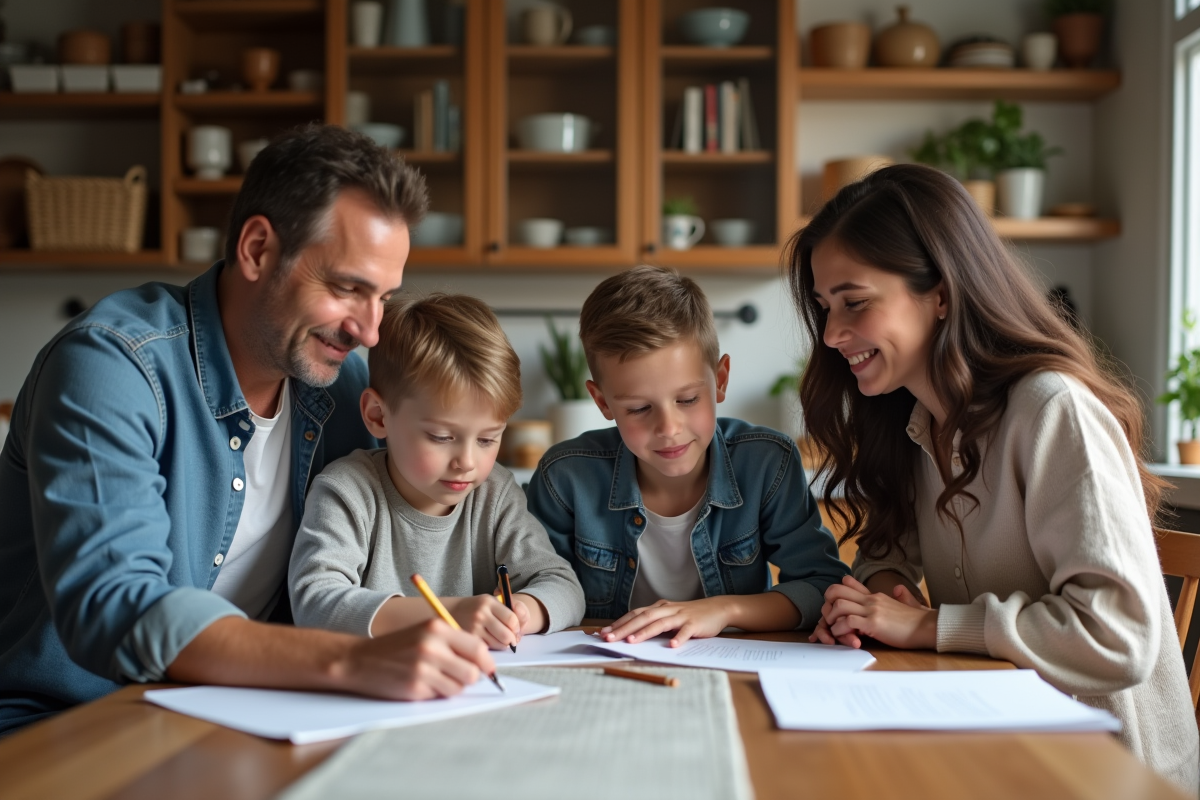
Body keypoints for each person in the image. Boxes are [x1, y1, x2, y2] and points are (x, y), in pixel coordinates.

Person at [0, 125, 494, 735]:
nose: (370, 330)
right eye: (347, 288)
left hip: (251, 715)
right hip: (69, 724)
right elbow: (114, 604)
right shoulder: (110, 366)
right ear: (258, 249)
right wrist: (352, 660)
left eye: (384, 298)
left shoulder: (348, 391)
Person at [794, 163, 1198, 791]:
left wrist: (928, 626)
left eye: (855, 302)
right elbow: (889, 549)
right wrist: (885, 592)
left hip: (1111, 772)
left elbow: (1119, 637)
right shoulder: (913, 418)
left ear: (942, 294)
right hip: (1000, 736)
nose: (832, 334)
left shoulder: (1052, 410)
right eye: (824, 307)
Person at [526, 265, 848, 646]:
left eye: (688, 399)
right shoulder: (565, 477)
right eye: (639, 409)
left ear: (721, 379)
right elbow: (538, 587)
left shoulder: (766, 463)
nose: (669, 427)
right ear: (602, 402)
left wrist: (723, 610)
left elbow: (822, 586)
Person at [289, 293, 586, 648]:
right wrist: (451, 614)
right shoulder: (347, 491)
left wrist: (522, 610)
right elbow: (314, 603)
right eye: (441, 437)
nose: (467, 462)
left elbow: (564, 586)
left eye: (488, 440)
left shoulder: (494, 493)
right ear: (378, 416)